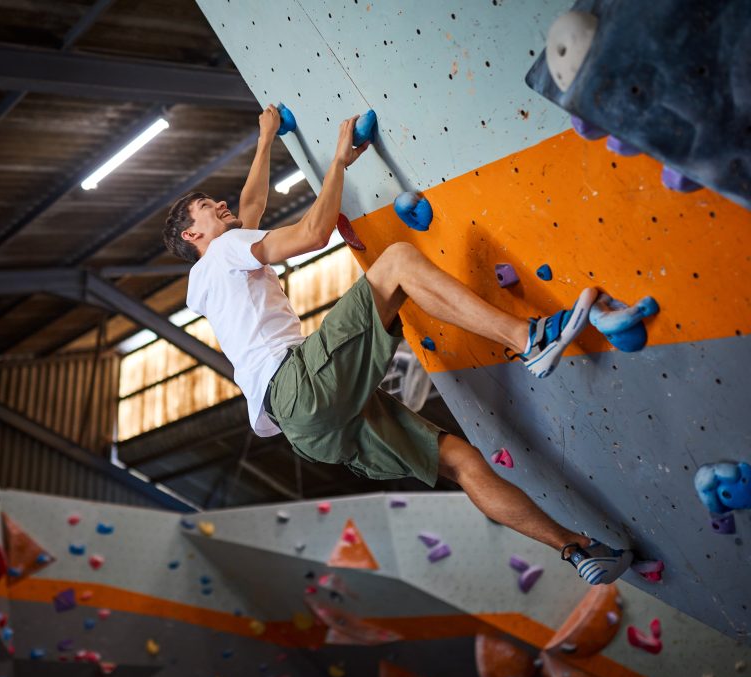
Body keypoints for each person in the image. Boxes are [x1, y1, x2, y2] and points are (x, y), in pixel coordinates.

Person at [162, 106, 632, 585]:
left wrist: (265, 139)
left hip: (308, 433)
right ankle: (526, 338)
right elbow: (312, 234)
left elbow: (250, 205)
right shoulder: (222, 252)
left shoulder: (211, 276)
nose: (221, 204)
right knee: (397, 262)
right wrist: (339, 163)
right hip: (298, 385)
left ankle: (576, 551)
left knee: (460, 462)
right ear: (191, 233)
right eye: (207, 205)